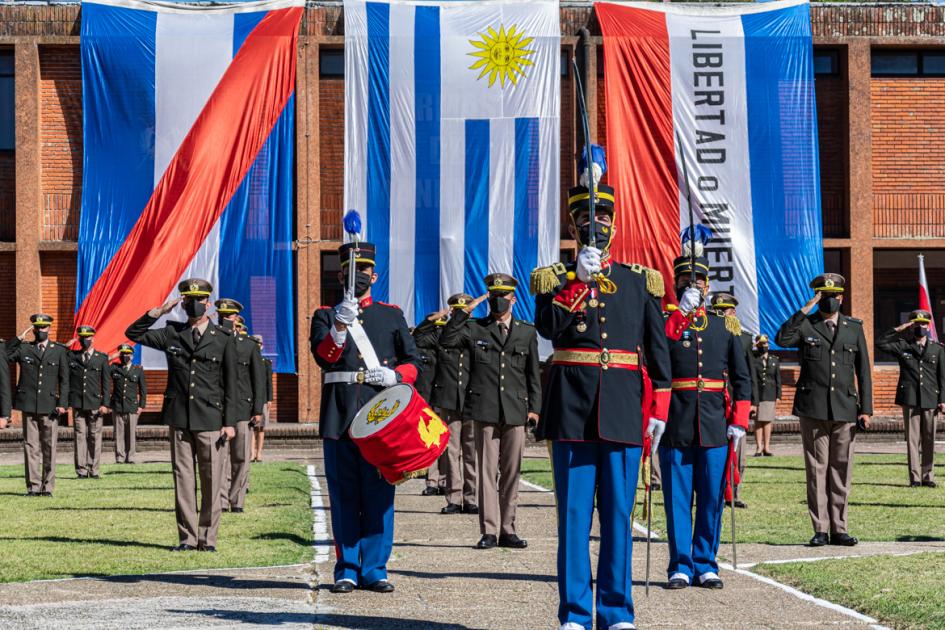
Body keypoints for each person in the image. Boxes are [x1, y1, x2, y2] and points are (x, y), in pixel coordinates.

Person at [532, 176, 671, 630]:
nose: (597, 224)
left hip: (624, 408)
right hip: (571, 409)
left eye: (604, 217)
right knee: (573, 519)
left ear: (615, 223)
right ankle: (574, 612)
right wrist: (578, 281)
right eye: (588, 218)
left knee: (617, 517)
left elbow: (657, 352)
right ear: (574, 225)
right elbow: (548, 329)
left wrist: (659, 412)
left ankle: (615, 611)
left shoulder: (639, 282)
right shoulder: (554, 278)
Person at [310, 241, 419, 594]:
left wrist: (397, 377)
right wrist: (340, 326)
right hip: (340, 416)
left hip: (381, 415)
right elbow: (326, 358)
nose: (355, 277)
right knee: (343, 495)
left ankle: (375, 568)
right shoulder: (325, 315)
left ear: (374, 274)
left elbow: (414, 361)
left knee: (379, 493)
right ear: (340, 275)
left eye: (362, 272)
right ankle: (346, 568)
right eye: (348, 272)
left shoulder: (391, 314)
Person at [661, 241, 751, 590]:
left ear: (708, 286)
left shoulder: (723, 327)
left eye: (698, 282)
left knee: (712, 497)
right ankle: (680, 565)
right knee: (678, 499)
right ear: (676, 284)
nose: (692, 287)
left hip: (714, 423)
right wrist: (680, 315)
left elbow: (741, 378)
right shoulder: (668, 324)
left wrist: (740, 419)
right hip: (677, 423)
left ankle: (705, 562)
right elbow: (658, 359)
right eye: (685, 281)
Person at [126, 278, 238, 552]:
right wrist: (158, 312)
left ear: (208, 303)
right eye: (189, 300)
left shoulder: (223, 338)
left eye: (199, 300)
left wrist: (230, 422)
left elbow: (231, 383)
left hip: (211, 417)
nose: (194, 304)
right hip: (179, 417)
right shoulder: (172, 333)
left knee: (211, 480)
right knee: (183, 479)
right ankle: (187, 538)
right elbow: (134, 333)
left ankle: (207, 539)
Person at [440, 273, 541, 551]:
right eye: (494, 297)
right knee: (486, 473)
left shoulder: (526, 331)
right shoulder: (475, 328)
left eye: (503, 297)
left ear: (513, 298)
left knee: (511, 472)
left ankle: (509, 528)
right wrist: (463, 312)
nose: (498, 302)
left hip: (515, 411)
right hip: (484, 410)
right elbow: (447, 340)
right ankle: (489, 530)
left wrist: (535, 409)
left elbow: (534, 375)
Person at [775, 273, 871, 547]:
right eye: (823, 296)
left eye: (833, 296)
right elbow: (782, 338)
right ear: (818, 298)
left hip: (845, 408)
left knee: (841, 469)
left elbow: (863, 370)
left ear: (841, 297)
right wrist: (806, 307)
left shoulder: (854, 327)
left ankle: (839, 528)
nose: (829, 301)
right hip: (813, 408)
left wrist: (867, 409)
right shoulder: (807, 325)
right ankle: (820, 528)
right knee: (817, 469)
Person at [877, 309, 944, 488]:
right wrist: (900, 328)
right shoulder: (903, 346)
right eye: (916, 324)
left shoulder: (937, 349)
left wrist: (943, 400)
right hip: (910, 399)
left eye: (923, 324)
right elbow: (880, 342)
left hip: (931, 398)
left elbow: (942, 377)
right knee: (912, 440)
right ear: (912, 325)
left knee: (929, 439)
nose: (920, 327)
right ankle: (915, 477)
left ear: (928, 326)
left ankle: (928, 476)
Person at [8, 315, 69, 497]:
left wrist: (63, 403)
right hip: (28, 404)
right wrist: (18, 338)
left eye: (44, 327)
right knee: (30, 446)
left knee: (49, 446)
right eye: (38, 327)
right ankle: (33, 486)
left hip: (50, 406)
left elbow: (64, 380)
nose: (41, 330)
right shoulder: (25, 348)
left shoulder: (58, 351)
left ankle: (47, 487)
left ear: (49, 329)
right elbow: (4, 355)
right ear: (34, 329)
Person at [430, 293, 478, 515]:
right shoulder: (445, 334)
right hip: (449, 398)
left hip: (471, 398)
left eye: (463, 310)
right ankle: (454, 498)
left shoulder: (476, 329)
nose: (459, 314)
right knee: (451, 450)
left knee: (471, 451)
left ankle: (472, 498)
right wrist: (453, 317)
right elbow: (427, 338)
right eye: (456, 311)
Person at [215, 300, 265, 514]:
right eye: (222, 316)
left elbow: (258, 379)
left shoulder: (248, 345)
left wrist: (257, 409)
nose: (226, 320)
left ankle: (237, 500)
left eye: (229, 317)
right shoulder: (212, 341)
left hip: (242, 409)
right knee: (220, 458)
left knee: (241, 456)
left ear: (236, 319)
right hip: (218, 408)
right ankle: (222, 500)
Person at [709, 292, 757, 510]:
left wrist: (750, 403)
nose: (722, 315)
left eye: (725, 311)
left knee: (738, 452)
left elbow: (748, 374)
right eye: (718, 311)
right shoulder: (708, 333)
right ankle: (716, 490)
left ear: (733, 312)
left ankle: (734, 492)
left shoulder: (743, 337)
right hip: (715, 401)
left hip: (735, 402)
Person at [412, 311, 448, 497]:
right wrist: (429, 321)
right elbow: (418, 334)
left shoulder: (450, 345)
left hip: (447, 400)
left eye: (442, 329)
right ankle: (433, 481)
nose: (438, 333)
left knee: (449, 444)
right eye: (435, 329)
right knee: (431, 441)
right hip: (428, 400)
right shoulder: (421, 346)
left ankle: (446, 480)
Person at [68, 325, 111, 479]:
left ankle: (94, 469)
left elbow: (106, 383)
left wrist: (105, 404)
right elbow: (58, 352)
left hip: (95, 403)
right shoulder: (72, 356)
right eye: (82, 338)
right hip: (78, 402)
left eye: (87, 337)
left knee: (94, 436)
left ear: (93, 338)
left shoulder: (102, 358)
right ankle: (81, 470)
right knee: (79, 435)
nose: (84, 340)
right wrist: (69, 343)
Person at [110, 343, 147, 464]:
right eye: (123, 354)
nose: (125, 356)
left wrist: (141, 406)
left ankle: (130, 457)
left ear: (132, 356)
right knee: (118, 434)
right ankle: (120, 457)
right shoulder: (115, 368)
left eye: (127, 354)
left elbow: (143, 390)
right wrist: (113, 356)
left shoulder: (138, 370)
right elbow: (101, 365)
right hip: (118, 406)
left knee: (131, 434)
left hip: (132, 406)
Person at [751, 335, 781, 457]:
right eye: (761, 344)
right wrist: (754, 345)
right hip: (757, 394)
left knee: (767, 421)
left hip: (770, 394)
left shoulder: (774, 360)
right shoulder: (753, 359)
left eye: (766, 343)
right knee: (758, 421)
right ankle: (758, 448)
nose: (764, 346)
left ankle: (767, 448)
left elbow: (778, 379)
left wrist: (778, 395)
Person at [250, 335, 273, 463]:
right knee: (252, 427)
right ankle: (252, 453)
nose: (258, 345)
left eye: (260, 343)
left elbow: (269, 382)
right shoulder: (247, 360)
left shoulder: (266, 362)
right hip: (250, 398)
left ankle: (259, 453)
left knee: (261, 427)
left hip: (263, 398)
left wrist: (270, 398)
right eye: (256, 343)